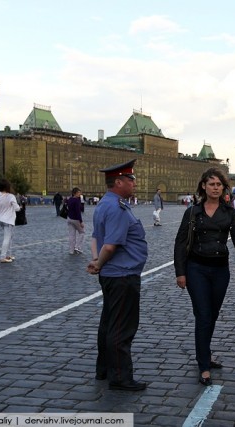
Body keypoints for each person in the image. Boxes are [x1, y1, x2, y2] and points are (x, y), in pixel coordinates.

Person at [174, 167, 235, 386]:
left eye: (219, 184)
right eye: (211, 184)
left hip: (221, 270)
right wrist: (180, 272)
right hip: (196, 269)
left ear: (223, 188)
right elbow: (180, 242)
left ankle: (205, 353)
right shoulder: (192, 212)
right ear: (203, 186)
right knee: (203, 315)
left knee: (212, 315)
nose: (215, 188)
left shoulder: (229, 213)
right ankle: (204, 366)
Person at [87, 159, 148, 391]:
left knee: (108, 323)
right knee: (122, 327)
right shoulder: (117, 208)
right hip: (123, 275)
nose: (134, 183)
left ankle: (103, 369)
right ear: (119, 181)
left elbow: (96, 237)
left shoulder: (104, 205)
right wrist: (99, 262)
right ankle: (120, 376)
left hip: (112, 274)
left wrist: (96, 261)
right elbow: (110, 245)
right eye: (131, 179)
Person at [0, 179, 21, 263]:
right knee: (7, 238)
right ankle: (3, 256)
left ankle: (8, 255)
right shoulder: (11, 196)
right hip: (8, 220)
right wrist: (20, 207)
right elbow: (17, 208)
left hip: (1, 219)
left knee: (10, 237)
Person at [67, 187, 85, 255]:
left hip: (69, 218)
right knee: (82, 232)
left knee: (72, 235)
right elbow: (78, 212)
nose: (80, 193)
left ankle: (71, 250)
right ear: (75, 193)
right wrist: (81, 221)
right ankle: (77, 246)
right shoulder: (76, 200)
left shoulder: (70, 199)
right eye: (79, 192)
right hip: (75, 219)